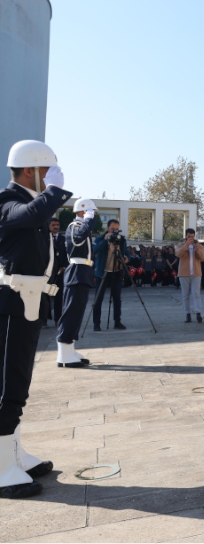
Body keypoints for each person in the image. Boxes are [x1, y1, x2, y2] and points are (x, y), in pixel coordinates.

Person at [0, 139, 71, 499]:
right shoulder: (7, 201)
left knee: (18, 385)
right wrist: (55, 191)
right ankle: (0, 469)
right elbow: (26, 217)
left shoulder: (31, 203)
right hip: (12, 303)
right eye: (46, 172)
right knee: (6, 386)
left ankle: (12, 454)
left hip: (27, 303)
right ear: (31, 170)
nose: (50, 178)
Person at [56, 197, 97, 369]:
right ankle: (64, 354)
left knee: (77, 312)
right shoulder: (75, 227)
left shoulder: (81, 227)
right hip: (76, 271)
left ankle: (70, 350)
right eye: (91, 211)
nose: (93, 215)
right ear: (82, 211)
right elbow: (78, 240)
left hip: (83, 271)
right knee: (71, 312)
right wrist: (88, 220)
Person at [92, 220, 129, 331]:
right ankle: (96, 323)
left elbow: (126, 252)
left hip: (116, 272)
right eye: (112, 229)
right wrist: (105, 240)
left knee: (117, 298)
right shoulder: (100, 238)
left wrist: (126, 259)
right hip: (102, 272)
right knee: (98, 298)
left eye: (116, 229)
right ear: (107, 228)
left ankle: (117, 321)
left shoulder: (121, 240)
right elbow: (95, 250)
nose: (114, 231)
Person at [176, 228, 204, 324]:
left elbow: (203, 257)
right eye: (189, 237)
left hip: (196, 273)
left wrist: (197, 248)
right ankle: (187, 314)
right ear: (186, 236)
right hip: (184, 273)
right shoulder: (180, 245)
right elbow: (177, 254)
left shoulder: (199, 245)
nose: (191, 238)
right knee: (185, 295)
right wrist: (186, 245)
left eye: (192, 237)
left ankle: (198, 313)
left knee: (196, 294)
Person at [43, 218, 66, 328]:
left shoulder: (63, 239)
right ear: (48, 226)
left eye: (57, 225)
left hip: (59, 273)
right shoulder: (43, 238)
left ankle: (58, 319)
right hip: (45, 273)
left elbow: (67, 255)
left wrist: (64, 267)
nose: (56, 227)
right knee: (44, 298)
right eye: (53, 225)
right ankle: (43, 320)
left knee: (58, 298)